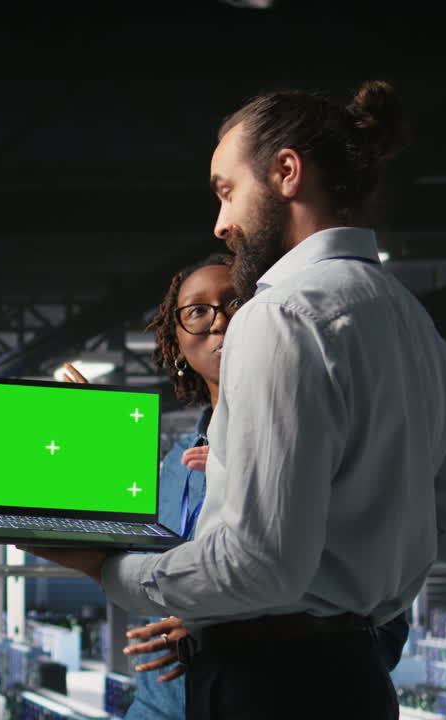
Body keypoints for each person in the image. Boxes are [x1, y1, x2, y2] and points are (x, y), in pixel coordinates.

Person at [24, 80, 446, 720]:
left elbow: (260, 569)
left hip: (268, 684)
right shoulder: (413, 323)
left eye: (227, 190)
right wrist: (359, 517)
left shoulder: (280, 315)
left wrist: (107, 571)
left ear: (285, 172)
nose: (221, 222)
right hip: (361, 684)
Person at [65, 255, 409, 719]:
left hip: (270, 692)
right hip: (163, 705)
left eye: (237, 303)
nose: (221, 320)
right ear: (176, 345)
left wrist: (220, 629)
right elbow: (119, 557)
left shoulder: (322, 444)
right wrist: (97, 447)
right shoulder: (174, 466)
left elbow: (374, 607)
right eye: (197, 311)